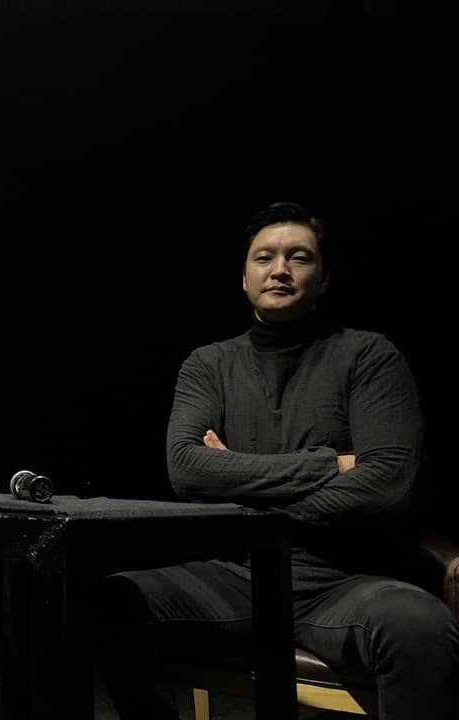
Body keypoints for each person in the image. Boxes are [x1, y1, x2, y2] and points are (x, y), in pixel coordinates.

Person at [94, 201, 459, 719]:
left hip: (344, 583)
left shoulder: (369, 356)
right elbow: (187, 467)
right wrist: (329, 464)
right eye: (264, 257)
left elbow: (387, 482)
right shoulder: (208, 365)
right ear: (244, 277)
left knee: (420, 626)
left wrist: (240, 485)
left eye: (299, 257)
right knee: (110, 602)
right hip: (237, 577)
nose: (280, 269)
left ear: (324, 279)